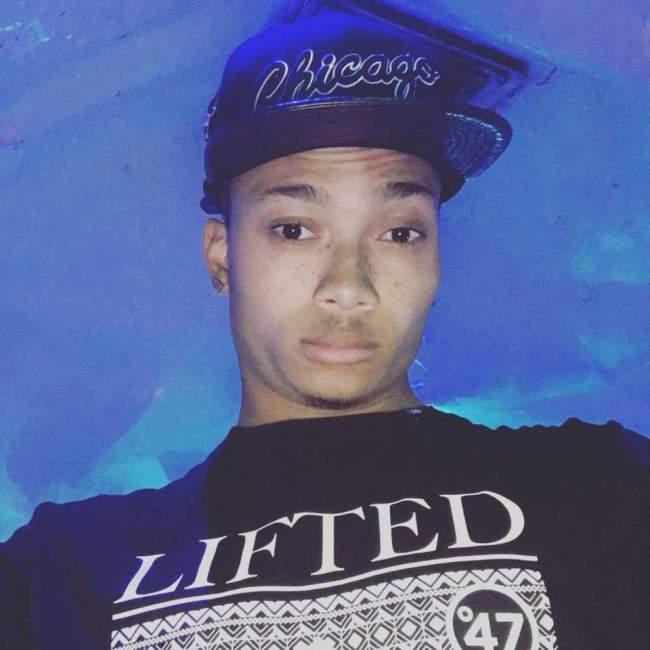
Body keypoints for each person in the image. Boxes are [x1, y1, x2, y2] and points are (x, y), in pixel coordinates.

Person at [1, 9, 648, 650]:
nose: (349, 285)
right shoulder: (63, 573)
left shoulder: (600, 489)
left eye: (400, 233)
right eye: (294, 229)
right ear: (222, 257)